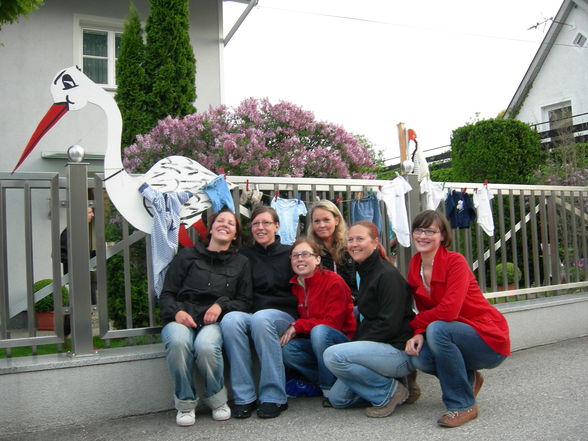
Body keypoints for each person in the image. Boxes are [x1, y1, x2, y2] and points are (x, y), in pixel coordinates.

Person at [404, 210, 510, 428]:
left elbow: (448, 312)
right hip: (453, 334)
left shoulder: (455, 262)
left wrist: (417, 324)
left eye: (430, 231)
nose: (423, 236)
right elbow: (426, 308)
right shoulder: (415, 265)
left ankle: (463, 405)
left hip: (487, 337)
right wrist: (418, 334)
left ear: (442, 236)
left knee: (438, 329)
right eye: (418, 230)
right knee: (419, 357)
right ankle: (469, 379)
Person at [159, 208, 252, 427]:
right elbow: (167, 293)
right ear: (210, 228)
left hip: (216, 321)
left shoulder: (242, 263)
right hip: (182, 317)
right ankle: (185, 403)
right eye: (220, 221)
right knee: (178, 342)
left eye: (231, 224)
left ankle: (217, 400)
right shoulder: (187, 255)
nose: (225, 225)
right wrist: (176, 312)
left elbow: (246, 301)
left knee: (206, 347)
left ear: (235, 235)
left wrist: (221, 305)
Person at [324, 221, 415, 418]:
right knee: (338, 399)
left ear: (375, 242)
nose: (354, 244)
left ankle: (390, 391)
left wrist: (356, 347)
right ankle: (395, 385)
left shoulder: (387, 275)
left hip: (397, 351)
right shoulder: (364, 271)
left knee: (333, 356)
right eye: (350, 240)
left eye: (360, 239)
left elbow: (389, 325)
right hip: (378, 347)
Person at [220, 206, 296, 419]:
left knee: (262, 319)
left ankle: (274, 396)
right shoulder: (243, 256)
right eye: (255, 224)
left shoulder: (290, 253)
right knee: (231, 320)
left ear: (277, 226)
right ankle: (244, 397)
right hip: (253, 314)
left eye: (266, 223)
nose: (260, 228)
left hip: (283, 315)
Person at [281, 238, 356, 402]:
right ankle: (329, 381)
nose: (300, 259)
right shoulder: (294, 286)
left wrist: (299, 326)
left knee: (319, 331)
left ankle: (328, 389)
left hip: (341, 341)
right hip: (313, 343)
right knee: (286, 349)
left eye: (305, 254)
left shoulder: (333, 281)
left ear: (317, 259)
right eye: (295, 256)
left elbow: (332, 324)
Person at [307, 200, 357, 298]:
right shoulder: (309, 251)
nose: (322, 225)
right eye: (317, 221)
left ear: (336, 220)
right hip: (322, 307)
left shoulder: (351, 247)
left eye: (326, 220)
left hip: (353, 306)